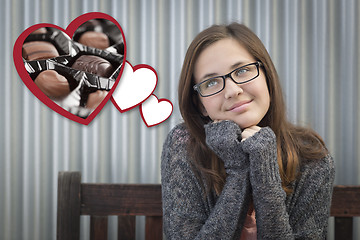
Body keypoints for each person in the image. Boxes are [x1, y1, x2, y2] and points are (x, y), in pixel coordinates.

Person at [161, 22, 335, 239]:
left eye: (242, 70)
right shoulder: (184, 145)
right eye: (211, 82)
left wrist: (265, 171)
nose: (233, 91)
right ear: (199, 104)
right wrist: (238, 169)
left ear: (266, 75)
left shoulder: (312, 158)